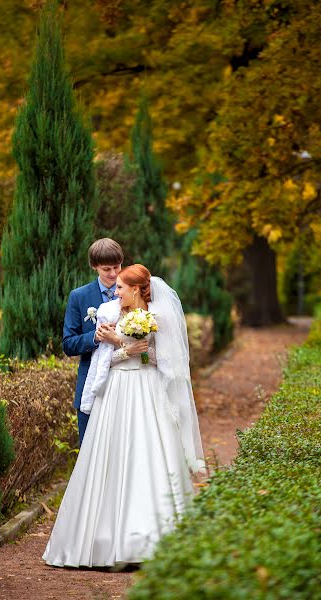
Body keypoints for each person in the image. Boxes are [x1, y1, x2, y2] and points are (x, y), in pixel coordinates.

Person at [43, 264, 205, 568]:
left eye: (120, 287)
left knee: (150, 456)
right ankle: (104, 542)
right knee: (111, 457)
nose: (115, 292)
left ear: (135, 289)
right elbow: (106, 362)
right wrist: (121, 346)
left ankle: (153, 540)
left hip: (148, 390)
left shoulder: (158, 316)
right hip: (116, 391)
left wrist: (140, 351)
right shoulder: (109, 314)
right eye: (115, 287)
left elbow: (164, 361)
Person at [62, 238, 124, 445]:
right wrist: (95, 337)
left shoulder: (133, 292)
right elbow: (68, 344)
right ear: (94, 266)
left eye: (117, 267)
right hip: (90, 384)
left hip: (126, 384)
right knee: (90, 450)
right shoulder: (78, 297)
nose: (114, 274)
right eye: (107, 269)